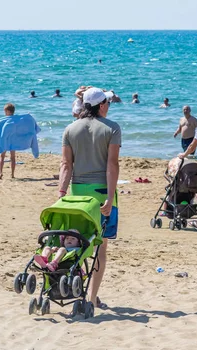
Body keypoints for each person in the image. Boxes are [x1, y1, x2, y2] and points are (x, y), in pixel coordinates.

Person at [59, 87, 121, 310]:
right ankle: (92, 297)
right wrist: (110, 197)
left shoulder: (70, 129)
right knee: (99, 249)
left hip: (77, 194)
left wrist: (61, 195)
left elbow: (66, 165)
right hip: (102, 194)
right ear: (102, 105)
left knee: (77, 243)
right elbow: (111, 165)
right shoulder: (112, 128)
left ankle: (74, 286)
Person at [0, 103, 17, 180]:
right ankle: (12, 174)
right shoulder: (16, 119)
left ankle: (0, 172)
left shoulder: (5, 120)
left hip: (5, 140)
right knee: (12, 157)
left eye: (5, 112)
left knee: (2, 156)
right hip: (13, 139)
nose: (4, 113)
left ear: (8, 111)